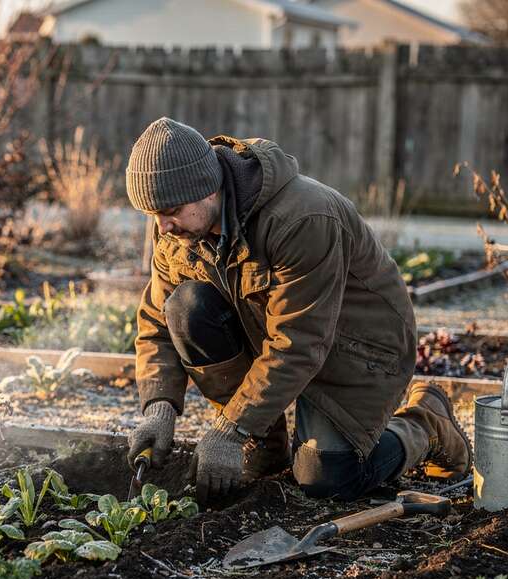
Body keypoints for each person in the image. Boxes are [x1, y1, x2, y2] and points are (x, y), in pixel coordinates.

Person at [124, 117, 472, 502]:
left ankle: (427, 423)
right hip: (279, 338)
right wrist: (159, 406)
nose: (163, 226)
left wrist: (229, 429)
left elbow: (299, 342)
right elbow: (157, 320)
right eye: (152, 214)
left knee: (326, 479)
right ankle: (264, 443)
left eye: (170, 210)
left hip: (358, 348)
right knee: (186, 308)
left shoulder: (302, 219)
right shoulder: (179, 229)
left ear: (208, 188)